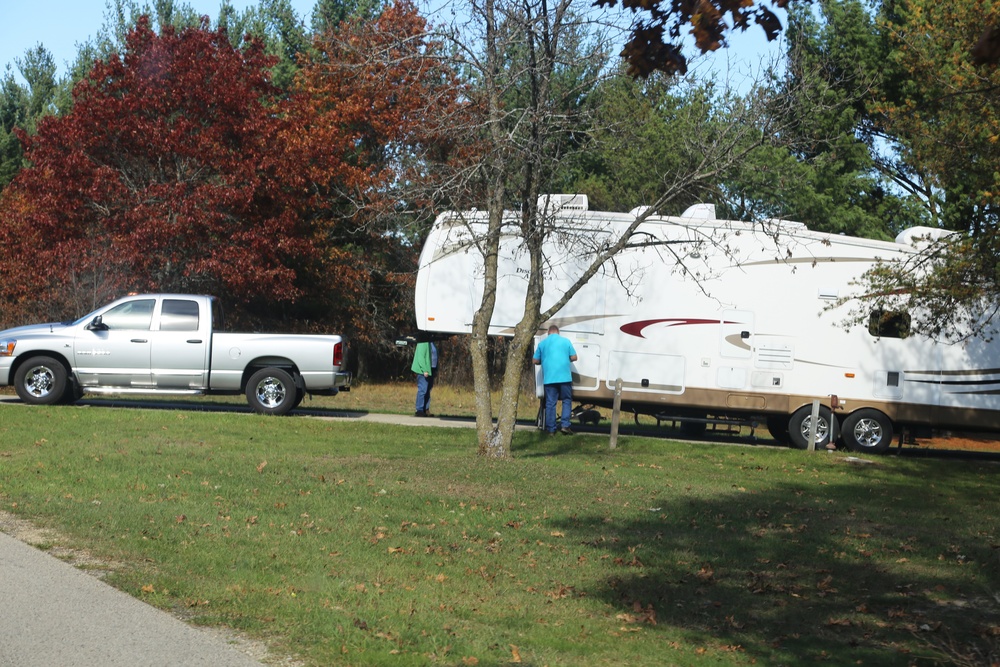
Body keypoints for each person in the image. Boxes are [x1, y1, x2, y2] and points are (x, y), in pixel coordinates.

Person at [532, 325, 578, 435]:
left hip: (549, 378)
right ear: (558, 332)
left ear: (548, 333)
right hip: (564, 378)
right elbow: (574, 357)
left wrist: (543, 361)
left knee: (550, 403)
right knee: (566, 400)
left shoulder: (542, 343)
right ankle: (565, 425)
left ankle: (551, 430)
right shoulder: (566, 341)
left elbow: (534, 360)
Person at [411, 338, 438, 417]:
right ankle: (419, 410)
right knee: (422, 389)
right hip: (424, 370)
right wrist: (424, 370)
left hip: (431, 369)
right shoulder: (423, 342)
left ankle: (426, 409)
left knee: (428, 390)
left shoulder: (431, 342)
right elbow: (421, 357)